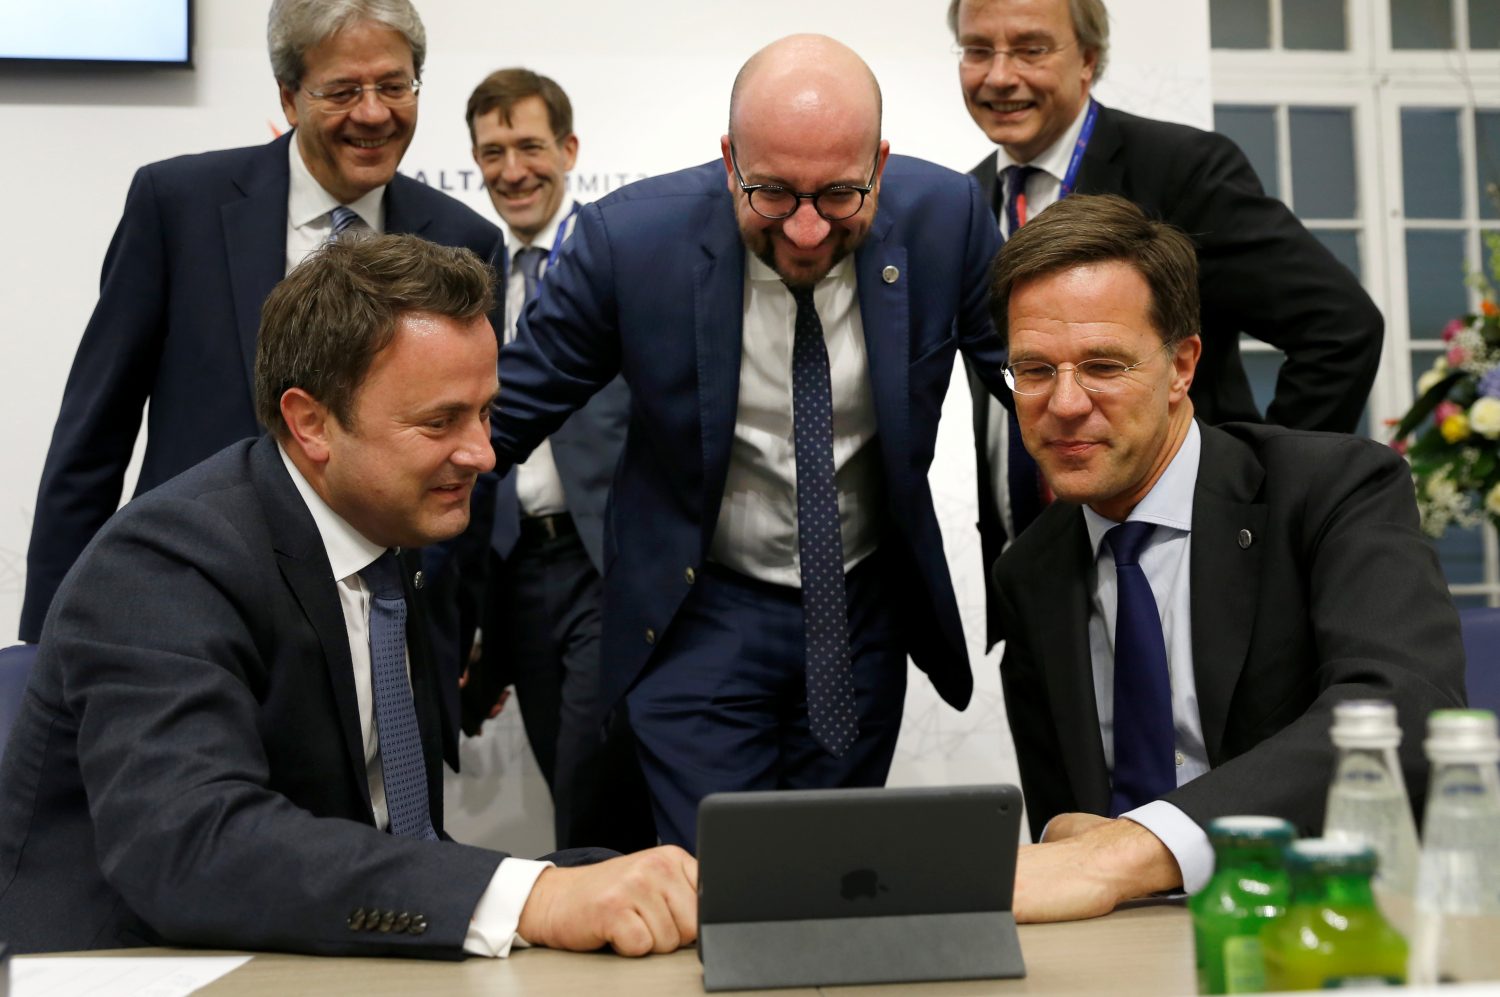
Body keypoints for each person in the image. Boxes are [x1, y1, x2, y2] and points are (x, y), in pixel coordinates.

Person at [0, 234, 697, 958]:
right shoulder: (162, 565)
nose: (485, 454)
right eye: (440, 421)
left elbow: (388, 840)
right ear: (311, 422)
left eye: (486, 413)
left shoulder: (399, 539)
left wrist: (607, 878)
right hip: (123, 964)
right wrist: (538, 895)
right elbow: (193, 847)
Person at [489, 34, 1009, 850]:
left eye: (840, 195)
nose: (805, 231)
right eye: (771, 193)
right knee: (725, 875)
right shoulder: (630, 244)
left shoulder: (947, 219)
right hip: (701, 612)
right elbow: (502, 414)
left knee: (831, 870)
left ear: (881, 160)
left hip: (861, 607)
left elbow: (1032, 380)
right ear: (730, 159)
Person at [989, 193, 1466, 923]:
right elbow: (1070, 821)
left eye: (1103, 366)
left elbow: (1401, 708)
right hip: (1122, 945)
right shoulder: (1032, 571)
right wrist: (1063, 835)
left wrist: (1131, 850)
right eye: (1034, 370)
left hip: (1326, 920)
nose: (1065, 402)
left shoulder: (1335, 489)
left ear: (1182, 365)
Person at [19, 0, 502, 701]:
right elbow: (92, 438)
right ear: (287, 95)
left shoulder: (464, 239)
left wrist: (456, 632)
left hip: (382, 635)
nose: (373, 113)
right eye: (342, 91)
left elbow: (469, 447)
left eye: (394, 86)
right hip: (191, 610)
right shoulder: (177, 204)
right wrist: (43, 646)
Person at [948, 0, 1386, 647]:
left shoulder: (1181, 170)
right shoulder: (967, 201)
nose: (1000, 76)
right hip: (1040, 579)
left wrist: (1259, 494)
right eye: (978, 50)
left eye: (1032, 50)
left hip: (1190, 561)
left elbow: (1341, 329)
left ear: (1089, 59)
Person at [463, 68, 654, 853]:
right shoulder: (463, 271)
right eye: (492, 151)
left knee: (591, 777)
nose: (513, 170)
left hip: (603, 561)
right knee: (560, 779)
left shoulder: (620, 255)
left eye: (531, 146)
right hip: (508, 570)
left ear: (569, 148)